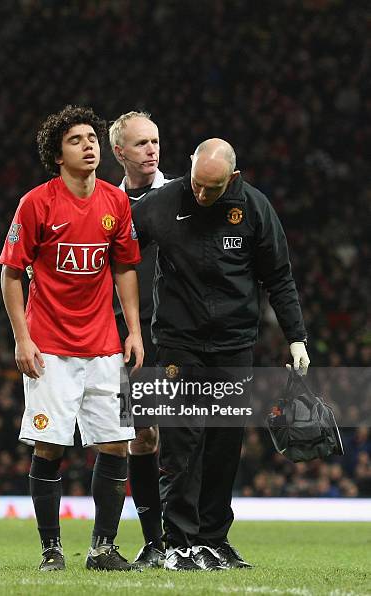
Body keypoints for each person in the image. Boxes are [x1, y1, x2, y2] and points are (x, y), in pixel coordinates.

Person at [132, 138, 310, 571]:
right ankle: (178, 541)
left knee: (225, 440)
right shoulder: (159, 204)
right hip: (179, 340)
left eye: (212, 188)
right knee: (183, 438)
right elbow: (116, 252)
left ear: (232, 178)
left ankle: (213, 539)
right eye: (196, 183)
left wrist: (296, 337)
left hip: (233, 343)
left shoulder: (253, 208)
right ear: (189, 168)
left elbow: (279, 276)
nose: (201, 194)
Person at [0, 105, 143, 572]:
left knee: (117, 444)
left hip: (103, 345)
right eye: (76, 140)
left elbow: (123, 266)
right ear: (57, 154)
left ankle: (102, 547)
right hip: (50, 348)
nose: (88, 145)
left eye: (92, 138)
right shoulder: (36, 203)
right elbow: (11, 273)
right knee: (50, 447)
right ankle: (51, 550)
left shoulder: (115, 202)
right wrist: (22, 338)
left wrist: (134, 330)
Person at [109, 111, 172, 568]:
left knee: (191, 435)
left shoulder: (179, 197)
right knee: (142, 436)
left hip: (179, 332)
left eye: (155, 141)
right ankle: (155, 540)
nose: (151, 149)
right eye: (141, 143)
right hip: (127, 336)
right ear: (120, 152)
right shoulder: (107, 203)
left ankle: (198, 533)